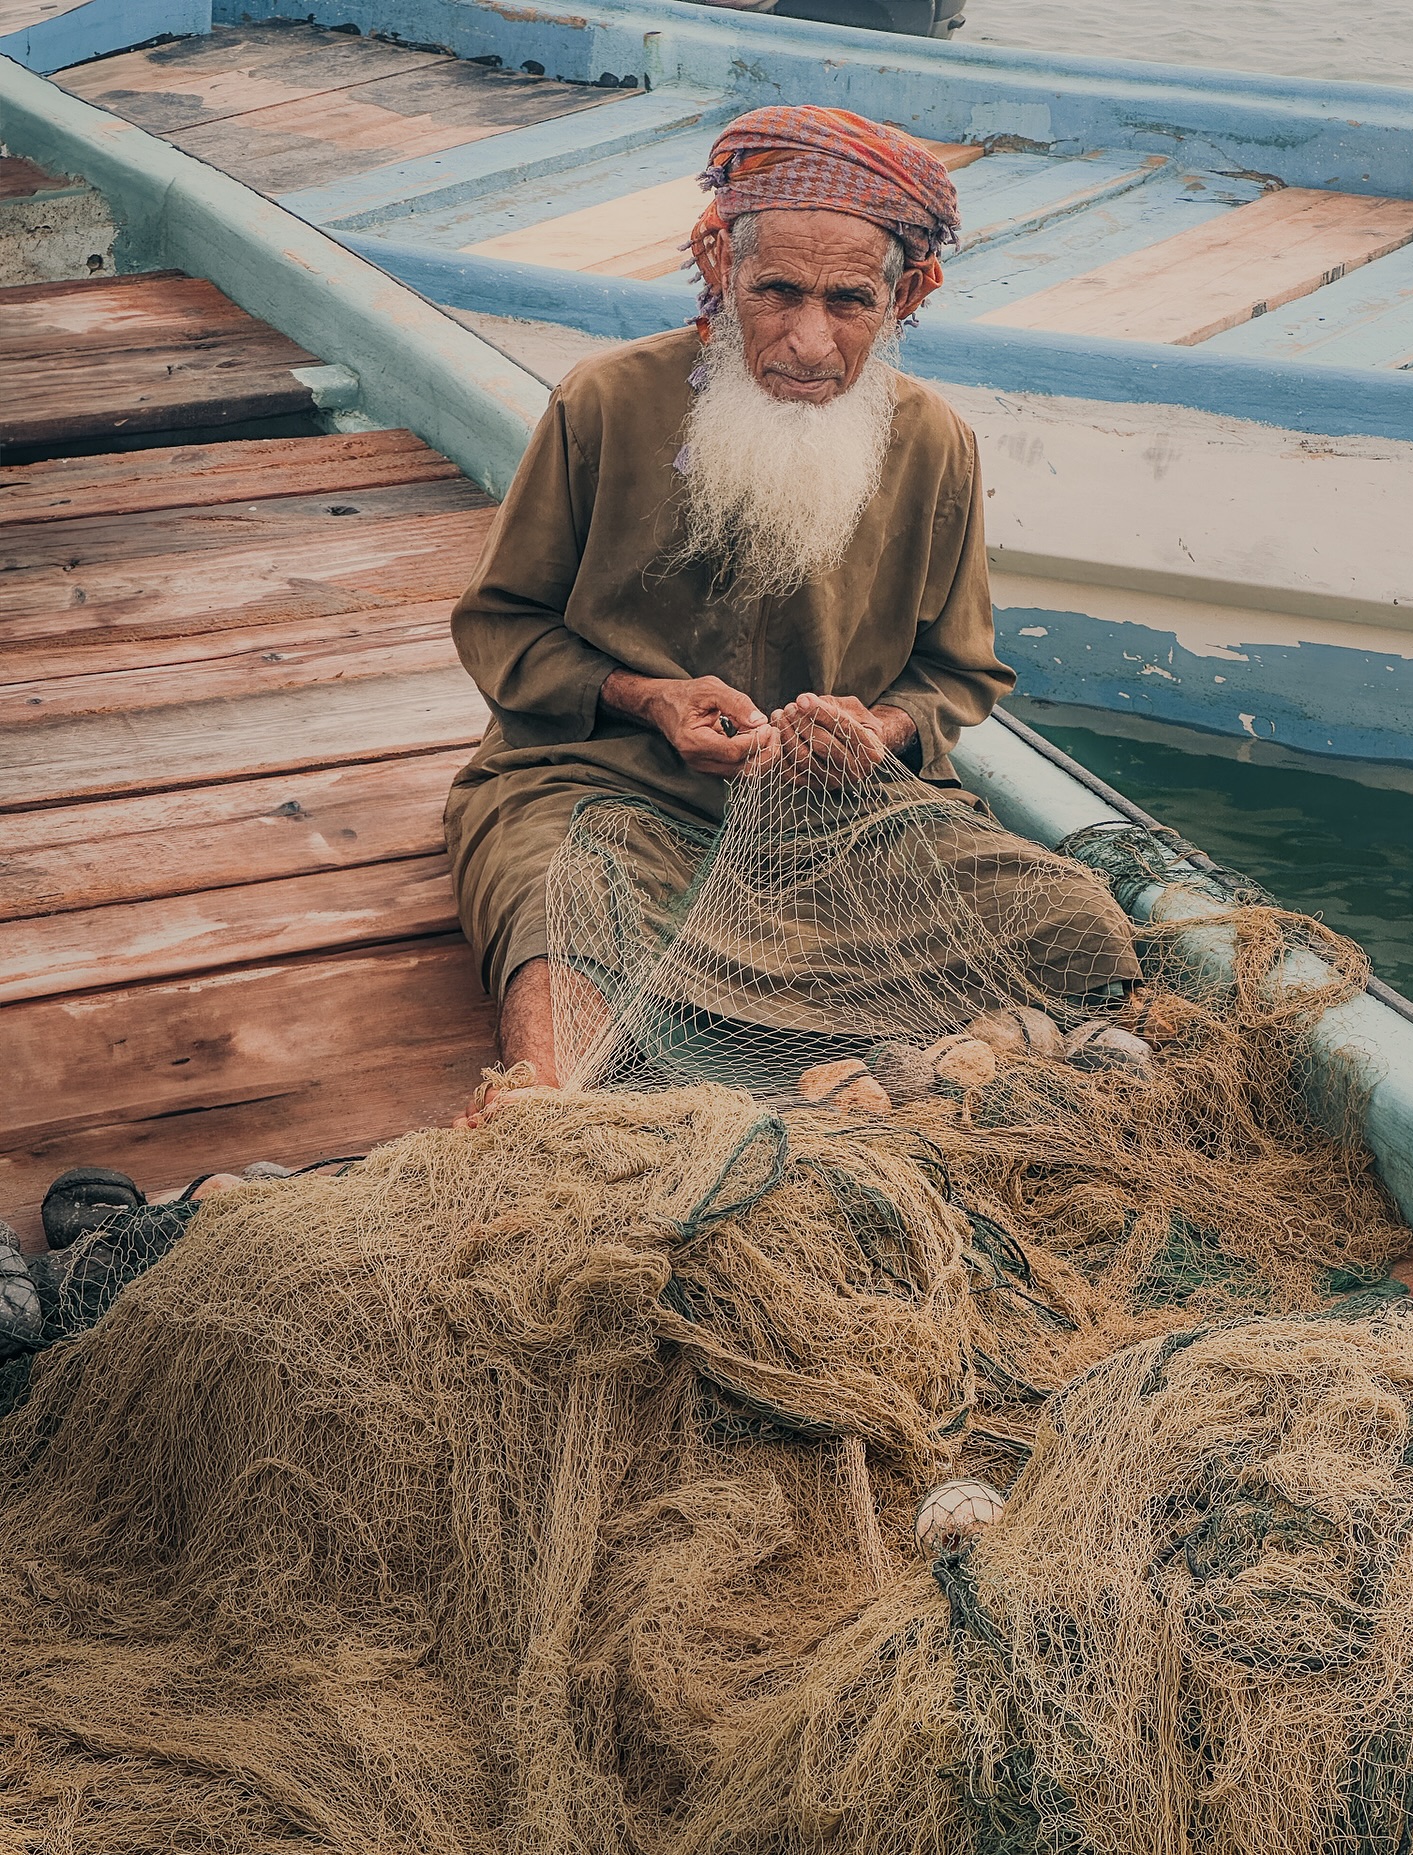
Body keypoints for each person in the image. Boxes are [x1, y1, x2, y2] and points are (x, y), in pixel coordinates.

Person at [444, 106, 1140, 1107]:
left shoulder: (935, 444)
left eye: (850, 302)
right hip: (601, 784)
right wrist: (648, 699)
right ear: (722, 267)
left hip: (835, 823)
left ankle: (748, 1050)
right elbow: (501, 624)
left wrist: (876, 727)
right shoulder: (605, 401)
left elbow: (958, 673)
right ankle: (563, 1116)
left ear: (905, 298)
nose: (809, 343)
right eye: (778, 292)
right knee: (562, 914)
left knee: (1073, 920)